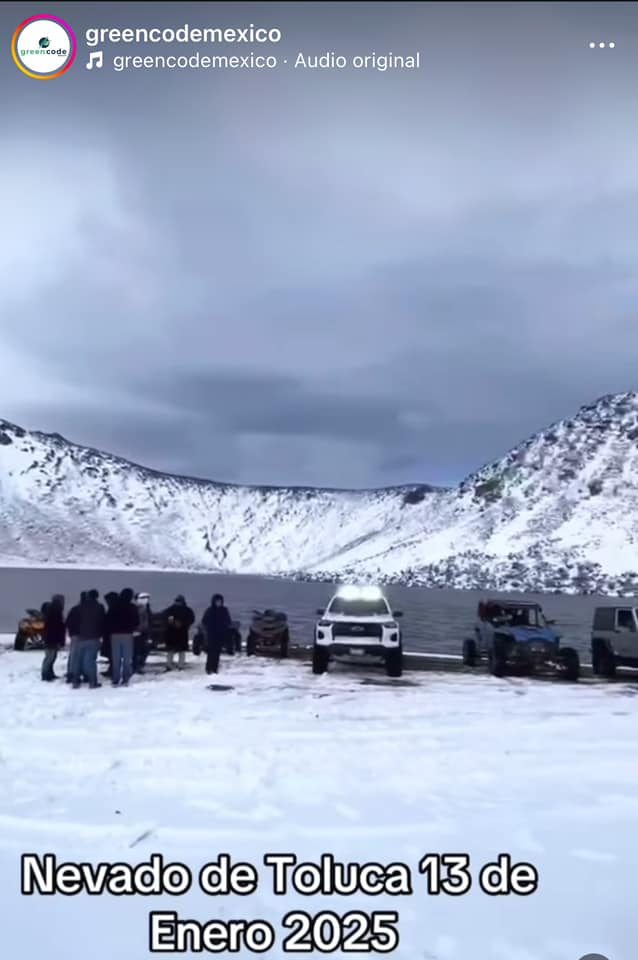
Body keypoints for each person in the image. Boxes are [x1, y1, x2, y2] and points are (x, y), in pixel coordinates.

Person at [72, 590, 105, 689]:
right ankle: (92, 682)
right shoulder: (100, 607)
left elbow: (75, 621)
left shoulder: (79, 607)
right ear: (97, 596)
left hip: (81, 636)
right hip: (94, 637)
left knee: (78, 660)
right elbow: (102, 621)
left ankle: (75, 682)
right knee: (90, 660)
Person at [107, 588, 139, 687]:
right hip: (127, 634)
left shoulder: (114, 606)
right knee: (127, 658)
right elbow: (136, 621)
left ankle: (115, 679)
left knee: (116, 658)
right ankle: (125, 678)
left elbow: (108, 619)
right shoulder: (132, 607)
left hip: (115, 634)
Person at [162, 595, 195, 670]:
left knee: (181, 650)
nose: (178, 603)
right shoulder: (170, 610)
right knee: (171, 650)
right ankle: (169, 665)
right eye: (177, 601)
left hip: (181, 632)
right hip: (172, 632)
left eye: (179, 601)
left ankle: (180, 665)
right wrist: (173, 623)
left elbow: (191, 619)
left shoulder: (186, 610)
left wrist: (183, 624)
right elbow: (164, 617)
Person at [202, 594, 232, 674]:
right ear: (214, 602)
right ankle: (208, 669)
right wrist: (209, 627)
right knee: (211, 652)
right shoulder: (209, 610)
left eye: (220, 601)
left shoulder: (224, 610)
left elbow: (228, 621)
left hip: (221, 634)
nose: (218, 603)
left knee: (217, 652)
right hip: (211, 634)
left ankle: (215, 669)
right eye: (217, 601)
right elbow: (204, 621)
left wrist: (225, 627)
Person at [41, 594, 66, 681]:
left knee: (51, 656)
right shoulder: (56, 611)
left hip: (50, 637)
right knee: (50, 657)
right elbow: (58, 627)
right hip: (52, 638)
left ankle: (48, 673)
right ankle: (45, 674)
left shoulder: (52, 610)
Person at [65, 591, 86, 683]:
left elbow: (68, 622)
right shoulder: (90, 609)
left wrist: (71, 632)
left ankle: (71, 673)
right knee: (85, 655)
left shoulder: (74, 609)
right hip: (87, 635)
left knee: (74, 655)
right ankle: (84, 672)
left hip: (75, 635)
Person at [101, 591, 119, 678]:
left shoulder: (112, 609)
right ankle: (112, 669)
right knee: (112, 654)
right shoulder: (115, 608)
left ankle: (112, 670)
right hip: (111, 634)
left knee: (112, 654)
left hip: (110, 635)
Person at [133, 592, 152, 674]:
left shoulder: (146, 607)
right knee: (138, 650)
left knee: (143, 650)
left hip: (144, 631)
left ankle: (139, 665)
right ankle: (137, 666)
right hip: (139, 632)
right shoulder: (137, 608)